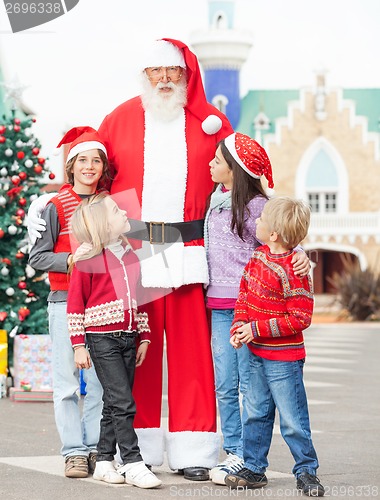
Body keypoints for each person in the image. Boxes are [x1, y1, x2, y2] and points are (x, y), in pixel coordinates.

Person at [28, 38, 232, 479]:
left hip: (188, 252)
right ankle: (133, 448)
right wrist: (47, 203)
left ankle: (194, 449)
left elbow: (238, 178)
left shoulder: (210, 124)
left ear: (185, 75)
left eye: (171, 72)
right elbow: (87, 169)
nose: (163, 79)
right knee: (131, 356)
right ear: (144, 75)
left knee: (192, 354)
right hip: (130, 255)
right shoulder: (118, 119)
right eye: (155, 72)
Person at [205, 133, 310, 485]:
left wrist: (301, 256)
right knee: (224, 383)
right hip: (219, 307)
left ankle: (249, 457)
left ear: (235, 170)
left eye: (218, 161)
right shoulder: (214, 201)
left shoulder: (256, 208)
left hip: (249, 307)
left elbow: (281, 240)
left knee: (249, 387)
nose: (211, 164)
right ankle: (235, 450)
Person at [225, 197, 325, 497]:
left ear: (274, 234)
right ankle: (254, 468)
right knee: (255, 412)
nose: (256, 221)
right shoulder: (257, 258)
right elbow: (243, 296)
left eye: (262, 219)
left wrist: (254, 329)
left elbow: (300, 318)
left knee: (293, 419)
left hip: (284, 359)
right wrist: (238, 326)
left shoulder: (296, 269)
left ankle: (306, 470)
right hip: (255, 353)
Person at [28, 127, 108, 478]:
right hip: (64, 302)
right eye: (83, 160)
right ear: (72, 166)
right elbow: (37, 257)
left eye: (96, 161)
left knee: (102, 384)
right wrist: (70, 261)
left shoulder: (110, 204)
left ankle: (93, 448)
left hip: (104, 304)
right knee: (67, 382)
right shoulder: (55, 205)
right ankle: (73, 451)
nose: (90, 167)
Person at [67, 193, 161, 489]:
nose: (123, 213)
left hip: (128, 337)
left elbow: (141, 299)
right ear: (102, 225)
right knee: (123, 401)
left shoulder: (131, 255)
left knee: (113, 401)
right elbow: (75, 305)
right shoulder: (86, 259)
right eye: (116, 211)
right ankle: (133, 461)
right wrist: (78, 344)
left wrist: (144, 336)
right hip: (101, 338)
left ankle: (105, 460)